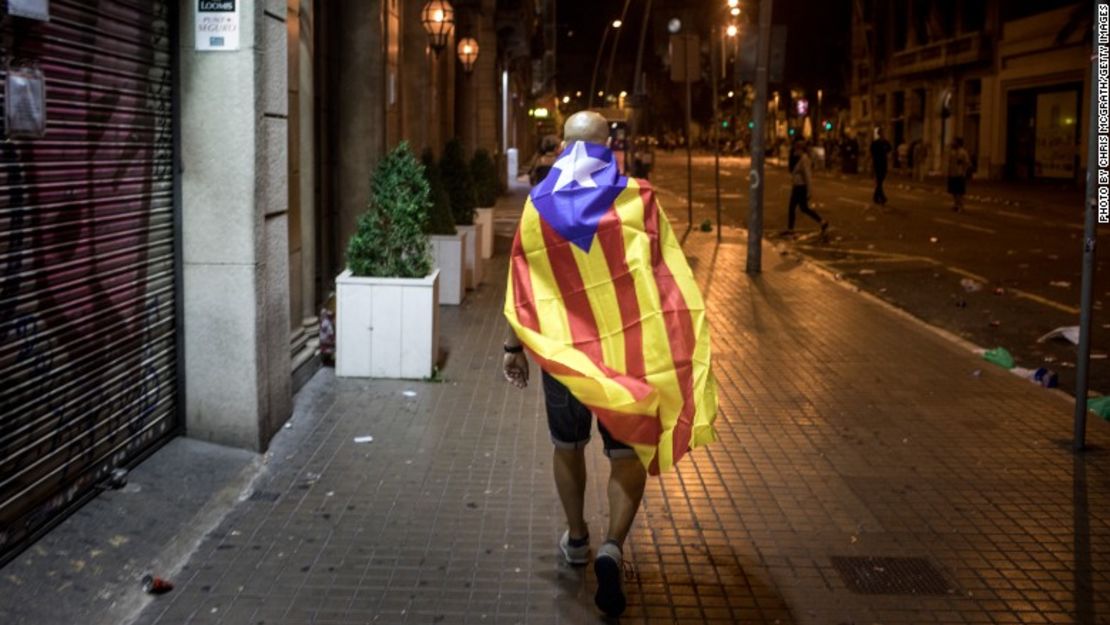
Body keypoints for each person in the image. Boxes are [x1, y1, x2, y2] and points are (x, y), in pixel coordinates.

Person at [502, 111, 718, 618]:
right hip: (628, 357)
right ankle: (612, 547)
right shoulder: (636, 199)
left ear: (563, 148)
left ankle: (577, 537)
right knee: (626, 453)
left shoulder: (540, 202)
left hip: (565, 357)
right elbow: (665, 277)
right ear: (609, 146)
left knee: (567, 445)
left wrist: (514, 347)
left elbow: (521, 279)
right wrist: (677, 348)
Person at [784, 139, 828, 237]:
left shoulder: (804, 159)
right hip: (797, 186)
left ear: (800, 149)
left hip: (801, 187)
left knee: (795, 207)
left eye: (796, 149)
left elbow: (808, 175)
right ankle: (822, 221)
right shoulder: (797, 158)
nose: (795, 151)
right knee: (803, 208)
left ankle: (791, 228)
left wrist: (809, 191)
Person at [947, 137, 972, 212]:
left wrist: (964, 171)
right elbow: (950, 163)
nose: (952, 143)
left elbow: (967, 163)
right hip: (952, 173)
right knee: (954, 191)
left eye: (954, 142)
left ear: (958, 143)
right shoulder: (952, 152)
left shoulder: (963, 152)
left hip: (960, 174)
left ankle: (961, 206)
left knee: (960, 191)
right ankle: (956, 204)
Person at [870, 128, 892, 205]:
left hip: (882, 162)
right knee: (879, 179)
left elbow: (889, 149)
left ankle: (877, 196)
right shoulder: (876, 142)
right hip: (878, 162)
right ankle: (881, 197)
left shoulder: (885, 142)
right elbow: (872, 152)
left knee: (880, 179)